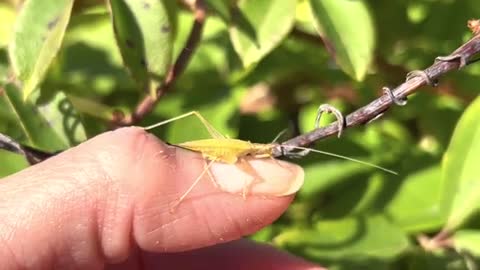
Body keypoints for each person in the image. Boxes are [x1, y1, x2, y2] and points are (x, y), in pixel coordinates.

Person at [0, 127, 324, 269]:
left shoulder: (255, 150)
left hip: (227, 151)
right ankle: (146, 129)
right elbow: (230, 165)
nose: (267, 154)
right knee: (211, 172)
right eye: (266, 151)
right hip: (214, 152)